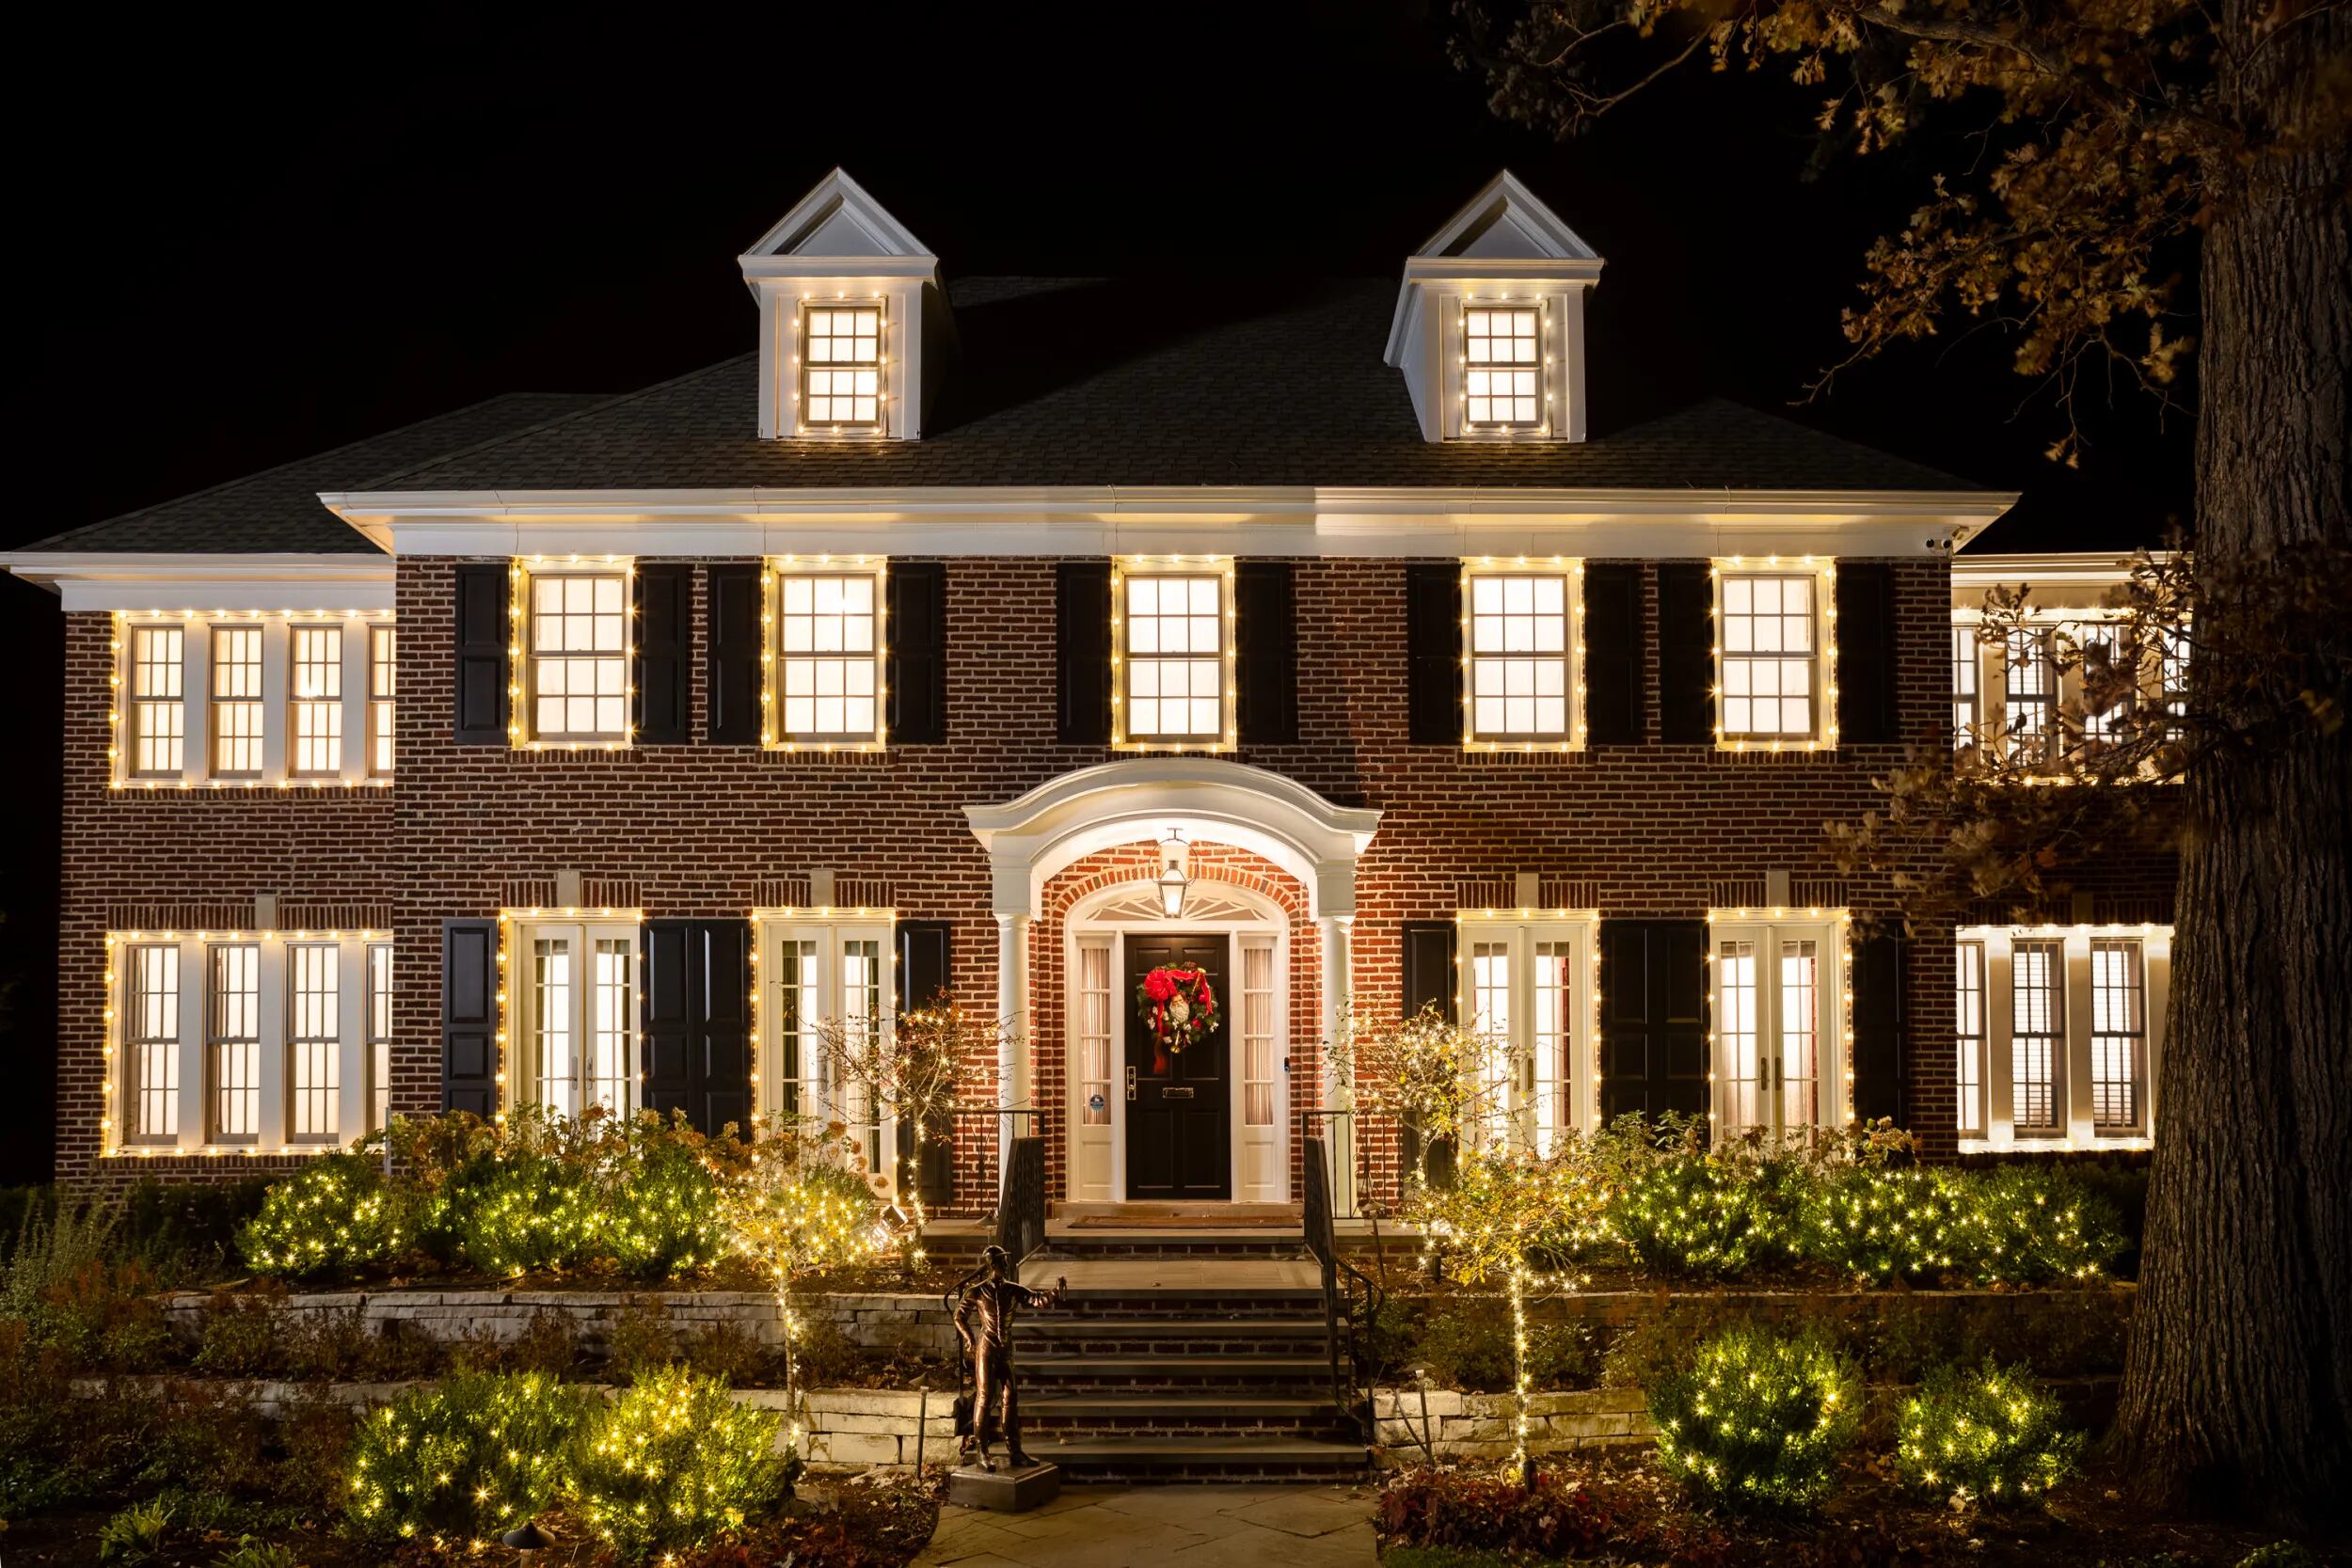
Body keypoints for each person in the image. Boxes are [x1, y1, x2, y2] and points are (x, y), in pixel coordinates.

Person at [947, 1244, 1066, 1470]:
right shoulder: (977, 1291)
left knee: (1010, 1399)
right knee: (984, 1397)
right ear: (993, 1265)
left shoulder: (1013, 1289)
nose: (1006, 1265)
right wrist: (970, 1339)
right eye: (1002, 1261)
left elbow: (1036, 1299)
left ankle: (1016, 1451)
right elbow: (958, 1317)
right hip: (987, 1348)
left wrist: (1054, 1294)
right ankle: (982, 1451)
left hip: (1005, 1350)